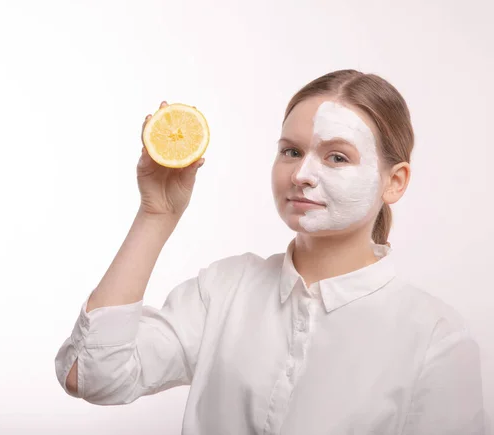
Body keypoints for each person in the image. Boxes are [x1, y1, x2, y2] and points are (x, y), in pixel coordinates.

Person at [54, 69, 485, 434]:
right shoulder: (225, 289)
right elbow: (93, 377)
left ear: (395, 181)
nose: (301, 174)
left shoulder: (435, 338)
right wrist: (155, 215)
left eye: (336, 157)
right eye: (291, 151)